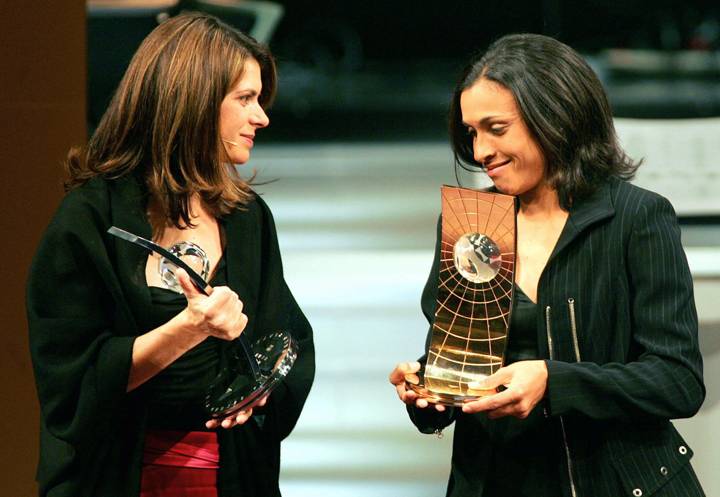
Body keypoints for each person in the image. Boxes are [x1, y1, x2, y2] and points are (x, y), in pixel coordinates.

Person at [389, 33, 705, 497]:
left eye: (496, 129)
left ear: (555, 116)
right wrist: (429, 391)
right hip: (497, 479)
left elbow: (677, 381)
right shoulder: (473, 221)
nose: (480, 153)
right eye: (472, 132)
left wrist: (555, 383)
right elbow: (464, 361)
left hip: (614, 482)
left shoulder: (636, 218)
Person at [27, 12, 314, 497]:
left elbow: (287, 338)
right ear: (195, 101)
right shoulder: (91, 217)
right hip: (117, 476)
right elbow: (70, 381)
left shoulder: (247, 218)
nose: (261, 116)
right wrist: (190, 327)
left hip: (232, 476)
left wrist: (262, 387)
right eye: (245, 98)